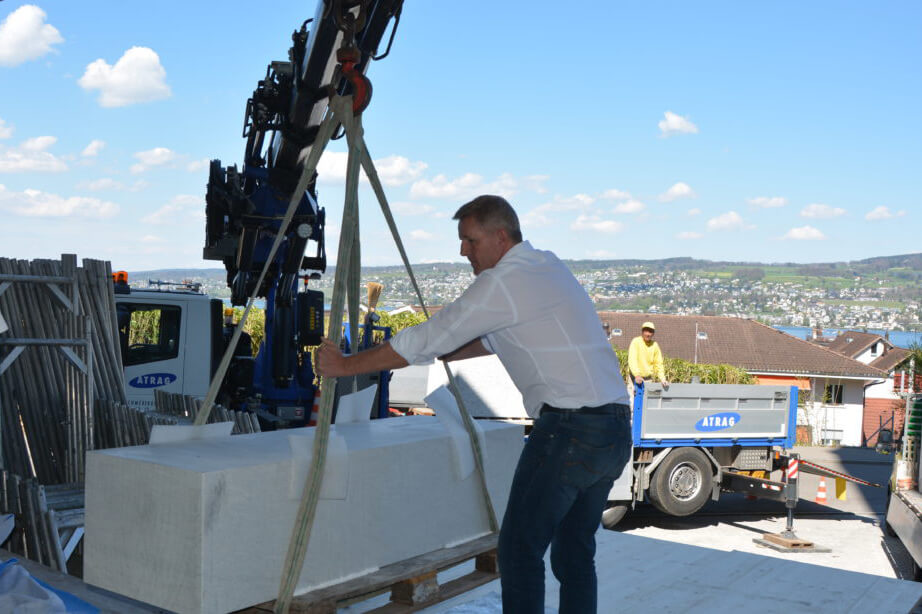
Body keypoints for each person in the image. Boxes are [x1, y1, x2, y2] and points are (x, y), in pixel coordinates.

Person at [316, 195, 631, 614]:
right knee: (574, 554)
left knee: (519, 552)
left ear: (500, 237)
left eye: (470, 240)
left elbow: (430, 336)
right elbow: (496, 336)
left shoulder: (503, 282)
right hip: (612, 429)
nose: (463, 251)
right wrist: (441, 350)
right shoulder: (548, 266)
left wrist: (343, 365)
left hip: (569, 432)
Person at [627, 321, 668, 397]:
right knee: (633, 404)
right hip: (634, 379)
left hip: (648, 380)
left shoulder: (655, 345)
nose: (648, 334)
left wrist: (662, 378)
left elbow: (658, 363)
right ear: (642, 331)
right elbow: (632, 360)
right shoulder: (636, 342)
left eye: (650, 332)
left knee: (646, 405)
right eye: (646, 331)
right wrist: (637, 375)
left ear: (653, 333)